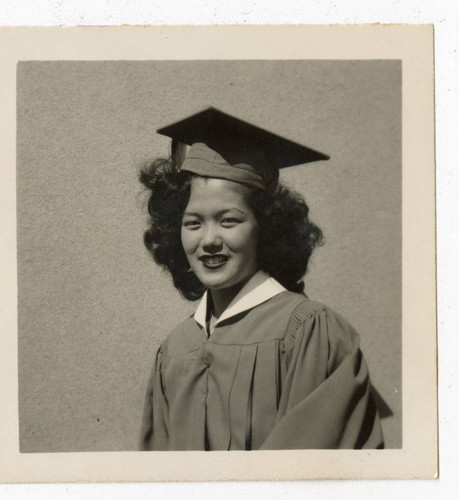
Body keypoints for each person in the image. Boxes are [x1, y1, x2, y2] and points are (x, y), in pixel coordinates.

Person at [138, 107, 384, 451]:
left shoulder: (310, 332)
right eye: (193, 223)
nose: (209, 239)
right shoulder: (174, 350)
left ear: (266, 228)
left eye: (229, 220)